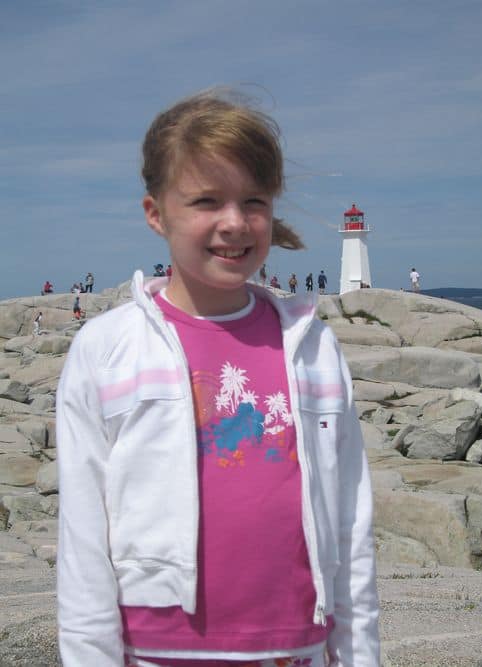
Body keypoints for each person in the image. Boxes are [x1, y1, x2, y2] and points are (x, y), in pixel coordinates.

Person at [56, 90, 379, 667]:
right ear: (155, 213)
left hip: (295, 648)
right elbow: (83, 540)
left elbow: (352, 525)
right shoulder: (105, 350)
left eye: (254, 200)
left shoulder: (313, 348)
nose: (234, 222)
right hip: (154, 650)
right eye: (206, 200)